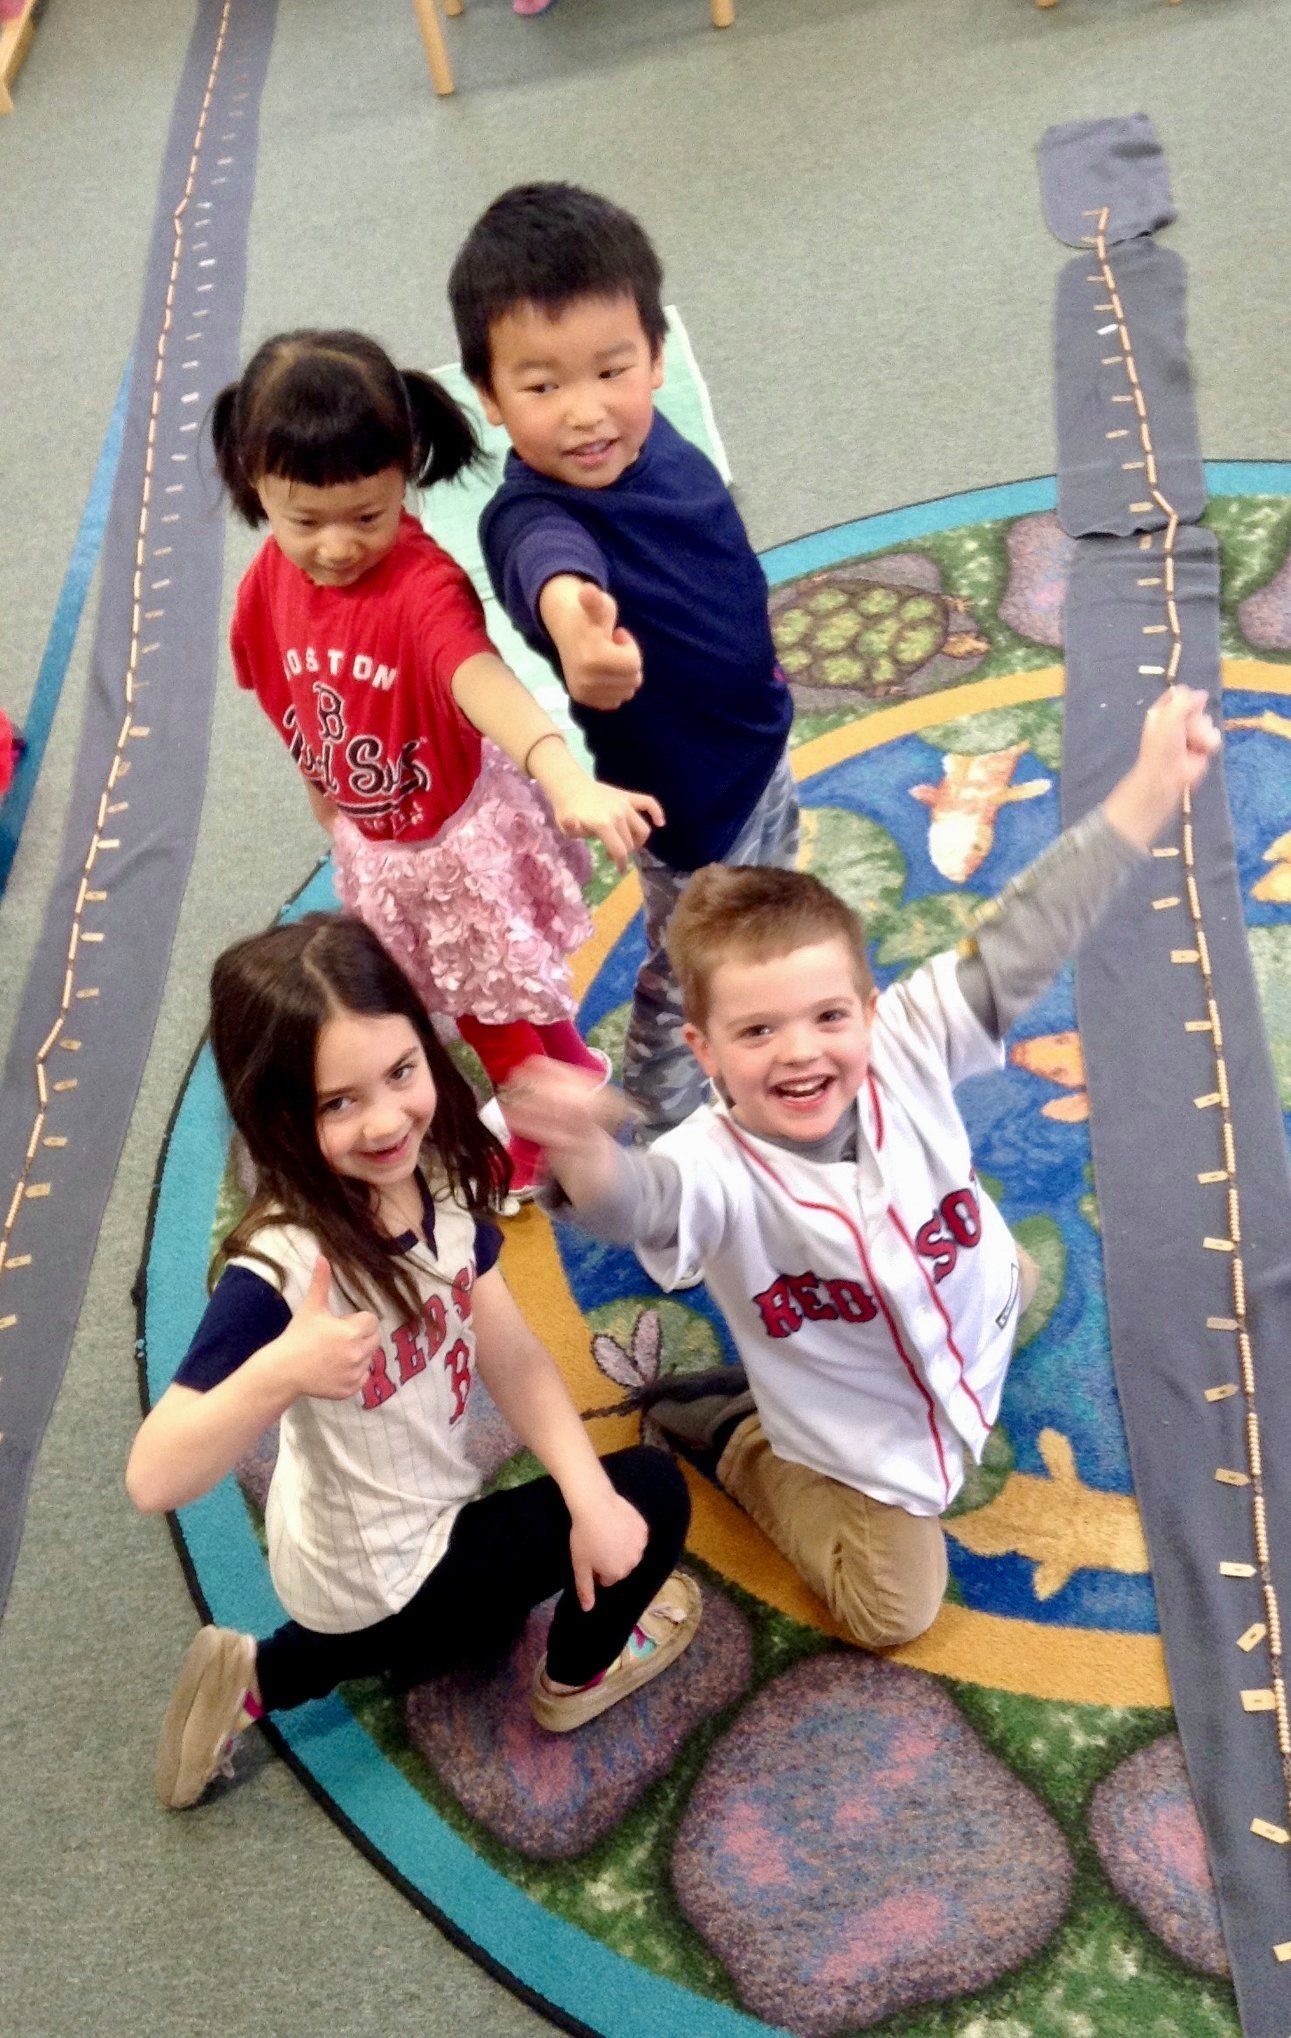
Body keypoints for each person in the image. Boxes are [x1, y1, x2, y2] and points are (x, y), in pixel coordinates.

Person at [501, 688, 1220, 1650]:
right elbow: (638, 1203)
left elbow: (1027, 930)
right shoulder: (711, 1165)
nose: (800, 1053)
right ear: (704, 1054)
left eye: (827, 1017)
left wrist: (1146, 789)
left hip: (968, 1304)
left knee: (1024, 1280)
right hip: (849, 1426)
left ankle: (942, 1339)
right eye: (757, 1031)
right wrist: (587, 1154)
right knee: (894, 1613)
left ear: (871, 1011)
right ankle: (732, 1431)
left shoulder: (911, 1038)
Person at [126, 914, 698, 1810]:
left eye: (400, 1073)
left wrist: (584, 1497)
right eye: (337, 1102)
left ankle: (259, 1675)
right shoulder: (283, 1263)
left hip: (388, 1525)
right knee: (653, 1497)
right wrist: (282, 1370)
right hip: (374, 1565)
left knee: (477, 1604)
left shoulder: (431, 1177)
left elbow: (512, 1355)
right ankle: (573, 1683)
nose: (388, 1118)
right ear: (276, 1116)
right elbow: (154, 1474)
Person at [212, 328, 663, 1195]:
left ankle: (543, 1136)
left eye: (367, 516)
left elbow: (482, 679)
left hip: (453, 853)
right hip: (378, 840)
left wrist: (559, 770)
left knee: (490, 1020)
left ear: (407, 470)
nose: (336, 546)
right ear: (255, 483)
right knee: (502, 999)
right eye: (304, 519)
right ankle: (575, 1069)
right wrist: (324, 798)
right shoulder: (267, 582)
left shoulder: (421, 587)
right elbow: (289, 698)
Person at [448, 185, 797, 1141]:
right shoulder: (532, 515)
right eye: (541, 385)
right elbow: (549, 571)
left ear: (655, 355)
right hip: (682, 807)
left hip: (757, 742)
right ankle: (643, 1143)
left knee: (767, 906)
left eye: (611, 369)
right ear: (486, 394)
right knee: (688, 971)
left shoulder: (653, 439)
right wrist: (574, 629)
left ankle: (761, 1023)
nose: (586, 414)